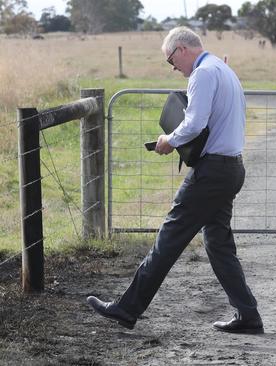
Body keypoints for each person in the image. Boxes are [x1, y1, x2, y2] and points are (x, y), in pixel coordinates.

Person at [87, 26, 263, 334]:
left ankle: (128, 308)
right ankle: (248, 314)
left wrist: (168, 140)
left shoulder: (203, 73)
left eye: (171, 60)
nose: (173, 68)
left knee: (168, 238)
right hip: (230, 168)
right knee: (218, 243)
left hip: (212, 172)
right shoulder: (223, 69)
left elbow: (195, 123)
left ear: (181, 49)